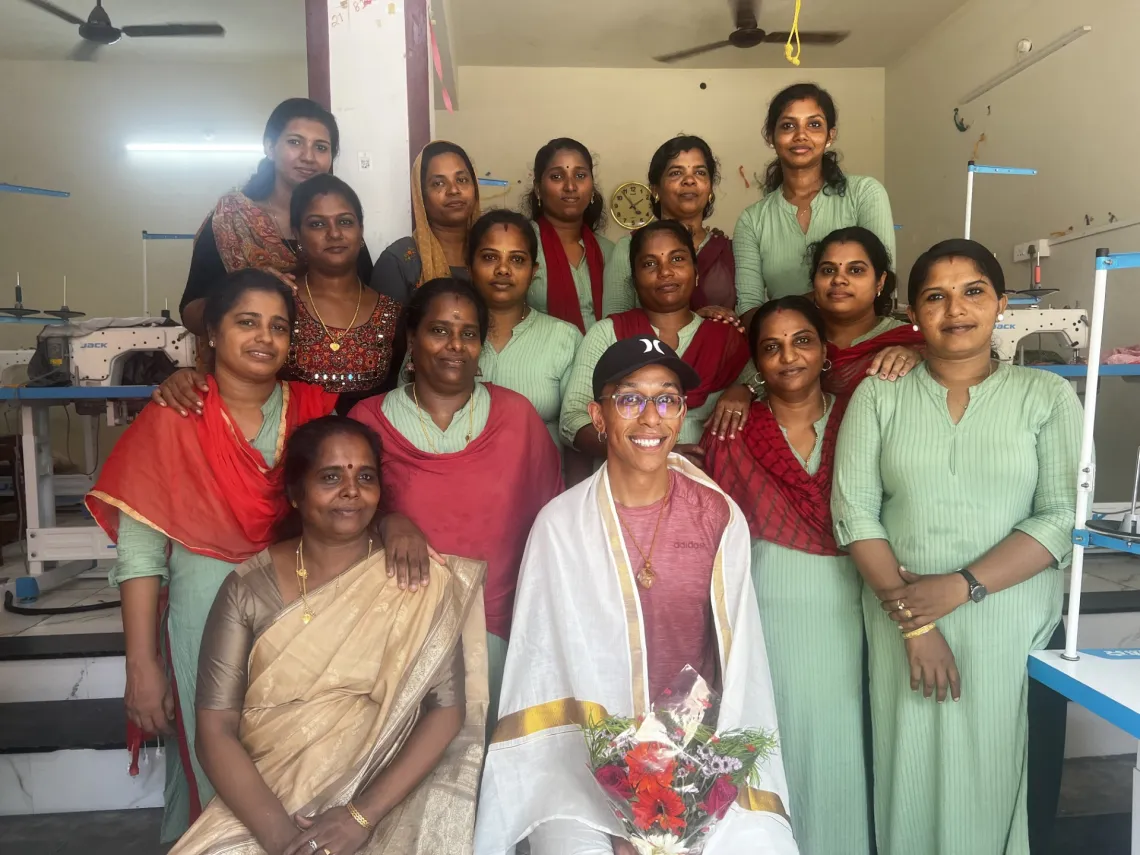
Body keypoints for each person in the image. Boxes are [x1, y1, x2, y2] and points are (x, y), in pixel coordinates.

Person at [86, 270, 434, 843]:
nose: (263, 338)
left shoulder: (317, 410)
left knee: (299, 751)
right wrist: (142, 664)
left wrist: (396, 520)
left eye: (278, 327)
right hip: (202, 602)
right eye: (246, 322)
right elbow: (142, 554)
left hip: (299, 599)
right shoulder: (171, 418)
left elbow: (358, 487)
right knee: (216, 749)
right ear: (213, 334)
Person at [475, 337, 799, 855]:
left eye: (666, 399)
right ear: (598, 416)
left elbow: (729, 667)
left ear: (682, 413)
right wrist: (624, 805)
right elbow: (547, 673)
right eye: (630, 399)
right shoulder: (561, 525)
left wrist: (669, 798)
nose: (651, 417)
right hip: (580, 764)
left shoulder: (718, 515)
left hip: (696, 748)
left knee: (763, 843)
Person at [831, 239, 1082, 854]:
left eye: (973, 292)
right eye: (936, 297)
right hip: (902, 622)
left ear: (1001, 302)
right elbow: (854, 512)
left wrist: (959, 587)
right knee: (907, 770)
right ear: (914, 315)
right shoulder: (879, 393)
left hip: (1007, 623)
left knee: (996, 772)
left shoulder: (1046, 397)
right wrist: (918, 624)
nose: (957, 309)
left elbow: (1059, 516)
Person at [170, 417, 487, 855]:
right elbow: (215, 729)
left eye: (366, 477)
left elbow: (446, 712)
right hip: (268, 804)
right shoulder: (248, 588)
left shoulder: (416, 580)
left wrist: (360, 816)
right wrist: (287, 842)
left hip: (386, 793)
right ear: (296, 493)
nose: (351, 491)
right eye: (331, 476)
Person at [349, 278, 563, 729]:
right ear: (411, 338)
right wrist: (389, 522)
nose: (455, 346)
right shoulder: (367, 421)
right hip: (397, 632)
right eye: (439, 330)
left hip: (502, 628)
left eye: (468, 334)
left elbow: (553, 530)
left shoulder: (517, 417)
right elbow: (339, 522)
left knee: (495, 766)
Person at [703, 296, 869, 854]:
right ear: (756, 363)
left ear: (824, 351)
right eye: (770, 347)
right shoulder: (735, 428)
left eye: (802, 341)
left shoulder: (861, 413)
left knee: (846, 742)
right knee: (779, 740)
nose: (788, 357)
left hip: (856, 599)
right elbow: (717, 533)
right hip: (768, 605)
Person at [155, 174, 402, 416]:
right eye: (317, 223)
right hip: (279, 447)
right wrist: (183, 378)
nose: (334, 233)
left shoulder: (392, 312)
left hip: (371, 451)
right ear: (298, 234)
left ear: (361, 230)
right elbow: (233, 372)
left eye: (345, 222)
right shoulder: (276, 303)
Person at [561, 221, 750, 469]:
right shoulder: (608, 334)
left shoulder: (727, 338)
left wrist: (746, 390)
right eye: (650, 264)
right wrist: (658, 452)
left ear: (696, 273)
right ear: (634, 279)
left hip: (709, 481)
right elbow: (572, 420)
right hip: (623, 483)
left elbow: (771, 399)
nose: (665, 272)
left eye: (677, 259)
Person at [179, 98, 373, 338]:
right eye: (295, 142)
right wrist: (247, 289)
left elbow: (368, 302)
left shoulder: (341, 227)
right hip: (249, 365)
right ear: (270, 147)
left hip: (332, 363)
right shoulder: (231, 219)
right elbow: (190, 312)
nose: (308, 157)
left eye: (321, 147)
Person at [709, 226, 922, 439]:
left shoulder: (905, 339)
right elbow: (752, 377)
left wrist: (920, 357)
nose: (839, 279)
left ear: (880, 281)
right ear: (815, 281)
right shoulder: (791, 334)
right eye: (828, 270)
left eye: (855, 270)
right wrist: (743, 390)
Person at [733, 83, 896, 325]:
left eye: (814, 124)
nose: (801, 135)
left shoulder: (864, 194)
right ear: (771, 136)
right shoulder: (752, 220)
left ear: (830, 135)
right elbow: (748, 313)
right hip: (787, 349)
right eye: (788, 125)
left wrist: (787, 308)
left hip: (862, 343)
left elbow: (882, 281)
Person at [468, 208, 583, 446]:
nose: (503, 269)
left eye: (517, 259)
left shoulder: (565, 338)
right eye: (490, 257)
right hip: (459, 478)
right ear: (469, 267)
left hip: (545, 480)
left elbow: (577, 435)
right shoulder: (444, 336)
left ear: (534, 272)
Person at [603, 134, 736, 315]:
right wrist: (692, 323)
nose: (689, 180)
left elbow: (746, 318)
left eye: (700, 172)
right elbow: (615, 326)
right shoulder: (628, 247)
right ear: (655, 189)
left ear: (710, 188)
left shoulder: (729, 250)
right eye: (676, 173)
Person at [371, 140, 481, 305]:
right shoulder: (399, 261)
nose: (454, 190)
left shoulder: (491, 252)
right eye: (438, 183)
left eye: (462, 180)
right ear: (421, 195)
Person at [523, 138, 615, 332]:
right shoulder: (521, 244)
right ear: (538, 189)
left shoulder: (610, 252)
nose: (571, 186)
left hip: (604, 359)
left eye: (580, 175)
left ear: (592, 187)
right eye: (557, 177)